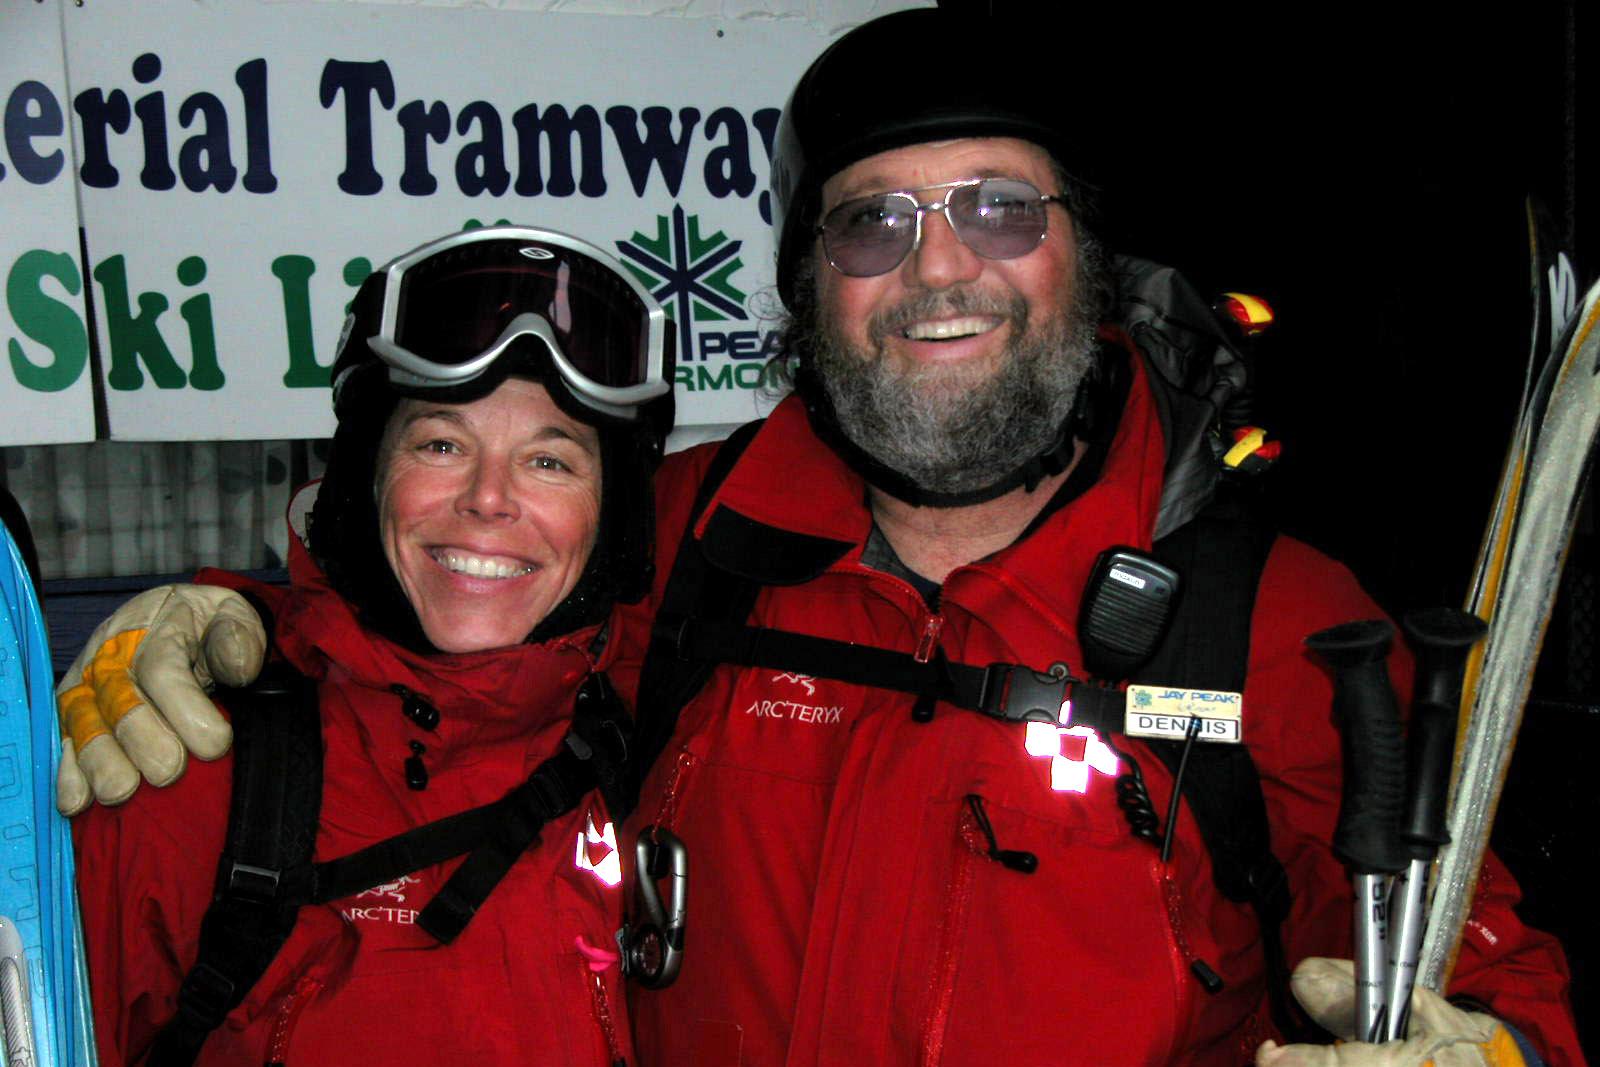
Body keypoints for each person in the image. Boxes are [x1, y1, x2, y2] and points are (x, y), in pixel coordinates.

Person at [57, 11, 1586, 1067]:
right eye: (871, 224)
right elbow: (456, 623)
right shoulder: (701, 534)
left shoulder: (1269, 622)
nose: (938, 273)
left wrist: (1496, 1045)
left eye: (997, 209)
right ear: (806, 285)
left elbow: (1459, 946)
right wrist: (228, 619)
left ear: (1088, 261)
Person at [65, 225, 673, 1066]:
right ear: (366, 477)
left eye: (549, 461)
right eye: (441, 444)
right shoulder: (190, 775)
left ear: (611, 517)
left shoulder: (664, 739)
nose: (489, 499)